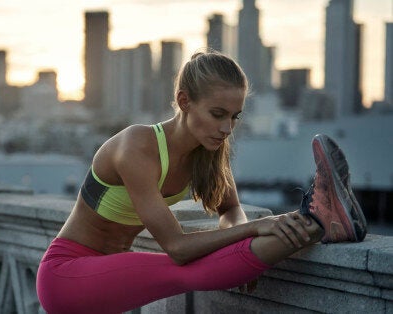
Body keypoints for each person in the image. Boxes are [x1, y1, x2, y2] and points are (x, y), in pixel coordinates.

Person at [36, 51, 367, 314]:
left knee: (204, 262)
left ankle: (326, 219)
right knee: (186, 270)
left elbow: (231, 208)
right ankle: (319, 221)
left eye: (234, 117)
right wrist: (256, 229)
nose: (227, 128)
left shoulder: (205, 153)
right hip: (68, 275)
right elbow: (178, 249)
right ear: (184, 102)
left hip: (108, 275)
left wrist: (240, 255)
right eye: (218, 114)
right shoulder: (136, 147)